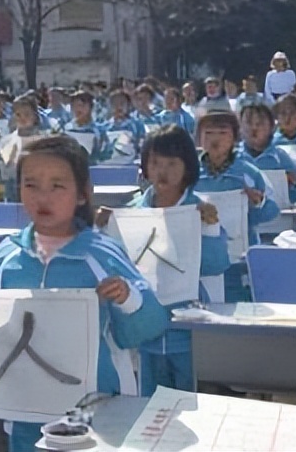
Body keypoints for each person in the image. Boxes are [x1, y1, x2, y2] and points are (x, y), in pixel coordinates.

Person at [0, 136, 168, 449]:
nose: (42, 197)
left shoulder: (102, 255)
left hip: (93, 406)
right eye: (31, 185)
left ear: (82, 194)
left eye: (57, 185)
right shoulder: (8, 255)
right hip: (24, 403)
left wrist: (127, 298)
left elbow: (150, 324)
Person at [112, 126, 229, 394]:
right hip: (145, 331)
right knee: (150, 405)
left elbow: (216, 265)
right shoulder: (132, 211)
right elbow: (119, 263)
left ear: (187, 167)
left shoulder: (200, 209)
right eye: (155, 163)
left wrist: (210, 228)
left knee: (191, 402)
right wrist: (104, 228)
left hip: (188, 331)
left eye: (172, 163)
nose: (162, 171)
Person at [193, 112, 277, 302]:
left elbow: (273, 211)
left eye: (223, 133)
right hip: (203, 256)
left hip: (240, 256)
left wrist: (258, 202)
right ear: (198, 138)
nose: (215, 139)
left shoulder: (249, 172)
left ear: (234, 137)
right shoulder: (189, 174)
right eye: (208, 133)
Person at [238, 103, 296, 206]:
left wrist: (295, 183)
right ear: (240, 127)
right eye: (248, 123)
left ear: (271, 127)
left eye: (260, 123)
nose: (254, 128)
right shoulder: (233, 158)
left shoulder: (280, 158)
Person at [63, 90, 112, 164]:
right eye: (75, 105)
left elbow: (105, 154)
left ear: (91, 107)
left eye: (82, 105)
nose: (78, 109)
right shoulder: (66, 129)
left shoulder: (99, 131)